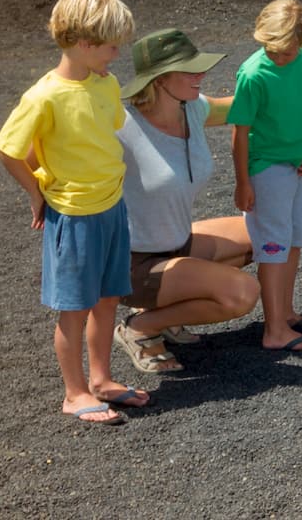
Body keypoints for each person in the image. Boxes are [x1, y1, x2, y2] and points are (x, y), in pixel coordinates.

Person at [0, 0, 150, 426]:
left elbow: (101, 133)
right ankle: (74, 392)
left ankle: (101, 380)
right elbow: (8, 149)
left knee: (108, 299)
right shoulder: (44, 96)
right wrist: (36, 190)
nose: (117, 54)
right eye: (112, 45)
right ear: (84, 44)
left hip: (111, 207)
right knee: (74, 308)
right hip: (75, 216)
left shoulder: (105, 84)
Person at [112, 29, 262, 374]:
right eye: (189, 70)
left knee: (267, 235)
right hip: (133, 264)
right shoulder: (119, 126)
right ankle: (141, 327)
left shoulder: (193, 108)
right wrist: (41, 198)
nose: (201, 75)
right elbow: (42, 151)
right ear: (160, 79)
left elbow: (240, 106)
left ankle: (165, 313)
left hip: (177, 244)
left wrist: (293, 89)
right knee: (241, 293)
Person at [228, 0, 302, 354]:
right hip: (266, 167)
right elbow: (239, 132)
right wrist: (243, 182)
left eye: (286, 51)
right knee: (273, 245)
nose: (279, 57)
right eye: (271, 49)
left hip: (296, 162)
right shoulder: (254, 73)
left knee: (293, 238)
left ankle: (285, 313)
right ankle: (273, 330)